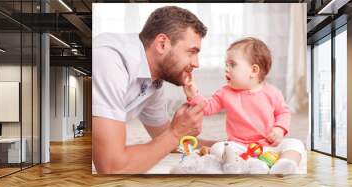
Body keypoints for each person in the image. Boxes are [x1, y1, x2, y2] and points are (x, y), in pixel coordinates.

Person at [92, 6, 214, 174]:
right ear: (162, 44)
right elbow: (111, 167)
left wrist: (219, 145)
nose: (196, 63)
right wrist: (175, 133)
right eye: (191, 52)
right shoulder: (109, 60)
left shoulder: (153, 81)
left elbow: (162, 136)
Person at [183, 37, 304, 174]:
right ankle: (250, 165)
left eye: (232, 64)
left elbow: (283, 112)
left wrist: (279, 129)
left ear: (253, 71)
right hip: (239, 147)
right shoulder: (225, 92)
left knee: (295, 144)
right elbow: (208, 108)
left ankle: (285, 164)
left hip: (268, 145)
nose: (226, 69)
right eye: (226, 64)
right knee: (219, 148)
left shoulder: (272, 93)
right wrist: (194, 95)